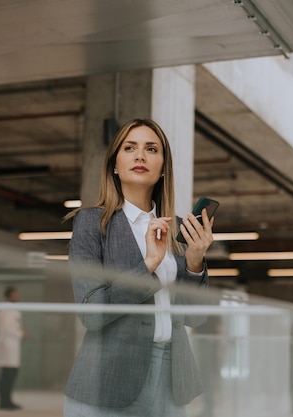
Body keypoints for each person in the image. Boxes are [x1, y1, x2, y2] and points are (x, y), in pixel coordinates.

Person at [63, 118, 215, 417]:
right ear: (115, 165)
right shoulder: (92, 223)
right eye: (129, 147)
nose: (140, 155)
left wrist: (195, 262)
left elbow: (195, 318)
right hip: (108, 378)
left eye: (151, 149)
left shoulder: (179, 230)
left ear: (162, 169)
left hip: (172, 377)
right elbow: (91, 314)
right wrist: (147, 264)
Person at [0, 286, 25, 411]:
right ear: (9, 296)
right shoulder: (7, 309)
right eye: (14, 295)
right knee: (7, 375)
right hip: (8, 345)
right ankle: (4, 402)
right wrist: (21, 333)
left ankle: (7, 401)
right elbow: (7, 327)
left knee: (9, 375)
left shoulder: (11, 309)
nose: (17, 297)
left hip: (10, 345)